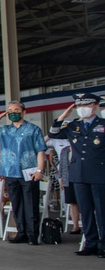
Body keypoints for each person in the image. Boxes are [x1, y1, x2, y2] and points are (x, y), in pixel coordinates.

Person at [0, 101, 46, 245]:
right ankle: (21, 233)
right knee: (16, 205)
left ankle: (32, 235)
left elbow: (40, 151)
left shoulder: (33, 129)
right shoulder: (4, 130)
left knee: (30, 205)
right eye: (10, 111)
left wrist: (39, 170)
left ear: (24, 112)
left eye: (16, 110)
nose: (13, 113)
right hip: (10, 173)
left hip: (29, 173)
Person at [49, 92, 105, 257]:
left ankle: (103, 245)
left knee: (102, 211)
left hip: (99, 174)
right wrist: (61, 117)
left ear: (95, 105)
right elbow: (53, 134)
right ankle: (91, 243)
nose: (82, 109)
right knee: (85, 211)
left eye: (86, 105)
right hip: (78, 174)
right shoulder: (73, 126)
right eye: (79, 106)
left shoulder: (103, 125)